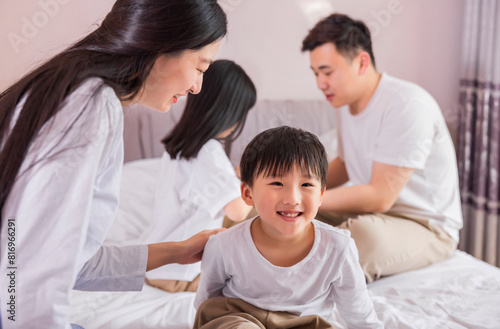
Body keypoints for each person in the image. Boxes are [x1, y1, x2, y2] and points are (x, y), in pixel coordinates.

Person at [0, 0, 227, 328]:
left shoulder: (69, 87)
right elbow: (33, 283)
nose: (197, 86)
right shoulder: (91, 107)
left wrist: (178, 251)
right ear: (163, 45)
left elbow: (71, 263)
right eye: (200, 67)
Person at [301, 13, 462, 282]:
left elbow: (380, 196)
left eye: (327, 72)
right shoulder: (344, 103)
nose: (321, 83)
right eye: (316, 73)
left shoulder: (407, 105)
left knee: (361, 237)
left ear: (362, 62)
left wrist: (301, 199)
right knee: (267, 209)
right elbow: (346, 162)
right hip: (376, 214)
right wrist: (298, 187)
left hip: (426, 226)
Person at [194, 126, 383, 329]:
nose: (293, 199)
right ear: (248, 194)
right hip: (240, 318)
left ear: (320, 195)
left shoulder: (338, 247)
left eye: (306, 185)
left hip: (305, 324)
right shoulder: (224, 245)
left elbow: (359, 314)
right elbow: (206, 303)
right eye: (277, 183)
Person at [141, 59, 256, 292]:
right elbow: (238, 210)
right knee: (259, 281)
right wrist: (252, 181)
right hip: (180, 273)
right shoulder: (209, 152)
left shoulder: (179, 147)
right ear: (228, 112)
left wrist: (233, 179)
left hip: (159, 267)